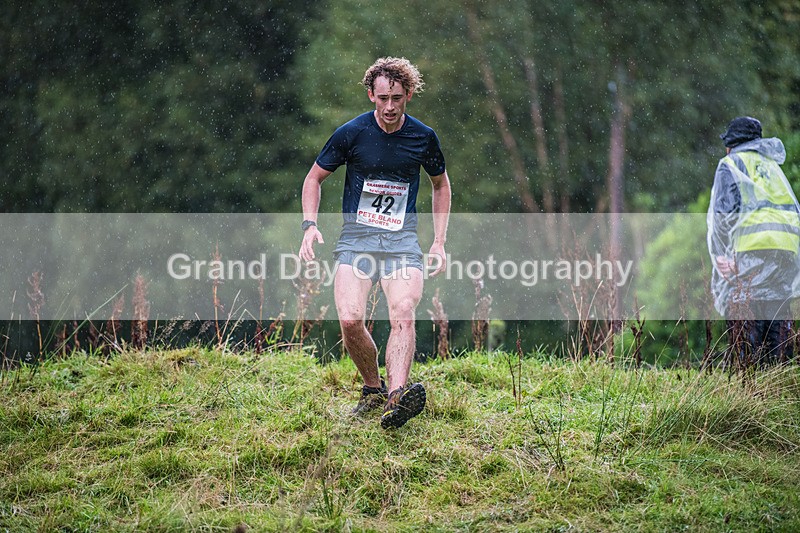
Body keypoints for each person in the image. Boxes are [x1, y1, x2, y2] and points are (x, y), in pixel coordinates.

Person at [298, 57, 451, 428]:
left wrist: (439, 242)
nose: (390, 106)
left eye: (397, 97)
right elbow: (313, 180)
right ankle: (373, 390)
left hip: (402, 244)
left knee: (402, 309)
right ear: (371, 95)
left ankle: (397, 398)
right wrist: (309, 225)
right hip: (356, 241)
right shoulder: (351, 133)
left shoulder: (422, 137)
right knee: (350, 319)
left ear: (409, 95)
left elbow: (441, 184)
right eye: (382, 98)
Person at [707, 116, 800, 366]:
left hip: (753, 246)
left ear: (731, 143)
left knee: (746, 312)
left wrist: (722, 254)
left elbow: (723, 215)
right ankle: (778, 376)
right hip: (787, 249)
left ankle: (750, 380)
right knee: (777, 314)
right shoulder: (772, 167)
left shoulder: (732, 163)